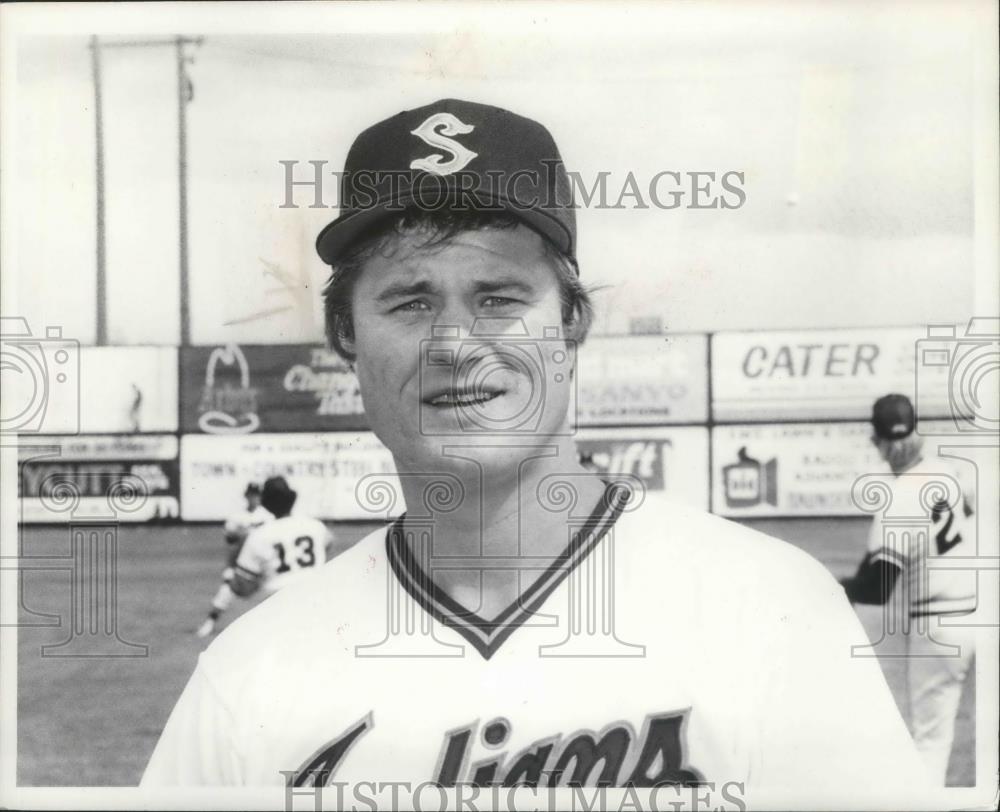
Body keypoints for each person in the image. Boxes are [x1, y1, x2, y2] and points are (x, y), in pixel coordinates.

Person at [143, 99, 925, 801]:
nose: (455, 342)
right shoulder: (249, 677)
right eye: (410, 301)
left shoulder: (773, 612)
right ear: (345, 335)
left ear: (573, 321)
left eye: (500, 298)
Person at [840, 393, 977, 785]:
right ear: (916, 430)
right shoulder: (944, 472)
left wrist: (836, 589)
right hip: (974, 615)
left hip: (937, 625)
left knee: (927, 744)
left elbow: (878, 587)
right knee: (940, 734)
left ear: (877, 442)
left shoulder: (897, 497)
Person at [229, 475, 336, 599]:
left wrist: (237, 552)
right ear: (291, 499)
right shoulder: (314, 526)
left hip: (279, 603)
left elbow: (242, 588)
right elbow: (329, 541)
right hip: (317, 598)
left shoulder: (259, 535)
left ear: (266, 504)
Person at [196, 482, 274, 638]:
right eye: (251, 494)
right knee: (225, 592)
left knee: (272, 595)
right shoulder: (237, 517)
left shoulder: (268, 517)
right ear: (246, 496)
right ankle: (209, 623)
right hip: (242, 562)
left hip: (263, 562)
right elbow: (230, 543)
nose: (254, 498)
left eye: (257, 494)